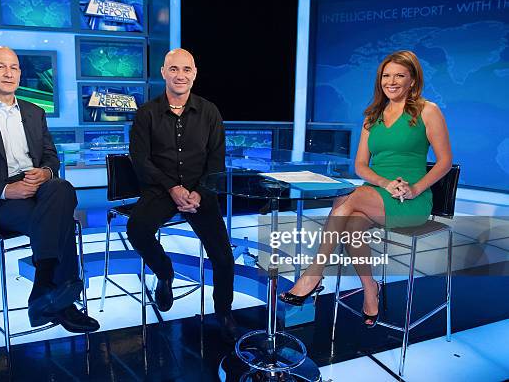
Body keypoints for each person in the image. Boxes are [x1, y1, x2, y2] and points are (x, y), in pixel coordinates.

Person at [279, 50, 452, 327]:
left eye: (399, 75)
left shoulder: (427, 111)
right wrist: (383, 182)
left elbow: (445, 162)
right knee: (350, 225)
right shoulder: (372, 115)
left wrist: (416, 189)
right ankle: (370, 288)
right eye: (386, 75)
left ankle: (313, 273)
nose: (391, 81)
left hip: (410, 201)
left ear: (412, 80)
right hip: (375, 195)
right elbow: (361, 166)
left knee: (347, 196)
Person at [0, 46, 99, 333]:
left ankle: (43, 287)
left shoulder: (34, 112)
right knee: (62, 217)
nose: (8, 73)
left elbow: (51, 158)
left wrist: (45, 172)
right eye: (1, 66)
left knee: (61, 188)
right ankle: (59, 300)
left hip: (38, 189)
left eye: (14, 67)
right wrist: (6, 190)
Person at [127, 48, 237, 342]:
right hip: (161, 189)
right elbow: (140, 159)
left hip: (200, 190)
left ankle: (223, 311)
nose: (180, 75)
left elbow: (216, 159)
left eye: (186, 69)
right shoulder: (146, 113)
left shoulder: (210, 112)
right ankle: (165, 273)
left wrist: (199, 192)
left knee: (224, 257)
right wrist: (172, 187)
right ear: (163, 72)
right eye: (174, 69)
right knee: (137, 229)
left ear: (195, 74)